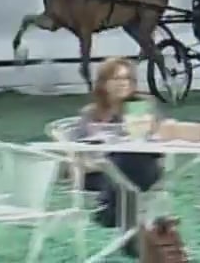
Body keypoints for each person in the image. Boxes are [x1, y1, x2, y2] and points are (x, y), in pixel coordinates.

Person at [75, 58, 162, 257]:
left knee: (127, 157)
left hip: (141, 168)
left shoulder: (142, 105)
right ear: (104, 83)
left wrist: (146, 126)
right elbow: (80, 152)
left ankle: (110, 211)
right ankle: (127, 230)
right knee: (118, 165)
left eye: (128, 78)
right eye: (117, 78)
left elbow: (156, 141)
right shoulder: (91, 114)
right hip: (99, 174)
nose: (123, 83)